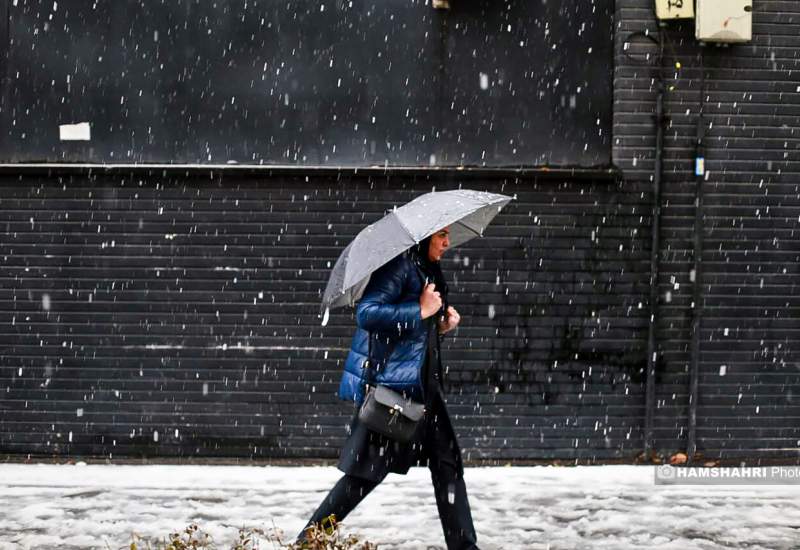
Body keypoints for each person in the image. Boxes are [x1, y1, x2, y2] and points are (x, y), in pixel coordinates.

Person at [299, 226, 480, 550]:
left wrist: (439, 324)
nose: (447, 242)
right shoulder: (399, 266)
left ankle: (465, 547)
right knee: (363, 474)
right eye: (441, 235)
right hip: (397, 390)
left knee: (448, 464)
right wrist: (420, 311)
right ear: (425, 237)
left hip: (426, 389)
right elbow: (367, 314)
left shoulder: (426, 268)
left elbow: (416, 333)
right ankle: (306, 541)